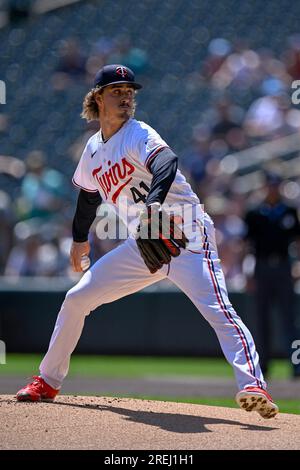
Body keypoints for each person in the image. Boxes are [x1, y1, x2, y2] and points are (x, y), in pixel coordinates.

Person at [16, 64, 278, 419]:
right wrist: (80, 240)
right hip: (145, 243)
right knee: (76, 299)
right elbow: (88, 197)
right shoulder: (93, 150)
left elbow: (167, 161)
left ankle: (253, 385)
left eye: (129, 92)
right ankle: (48, 380)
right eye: (117, 92)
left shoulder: (139, 133)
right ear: (97, 98)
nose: (125, 98)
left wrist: (153, 203)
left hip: (187, 236)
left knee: (219, 312)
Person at [244, 172, 300, 378]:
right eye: (270, 185)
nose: (273, 188)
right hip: (262, 268)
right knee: (262, 321)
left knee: (290, 320)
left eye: (277, 185)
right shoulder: (255, 213)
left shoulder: (290, 211)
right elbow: (247, 245)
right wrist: (248, 272)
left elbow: (297, 241)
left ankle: (297, 366)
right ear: (265, 187)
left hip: (284, 267)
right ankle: (263, 366)